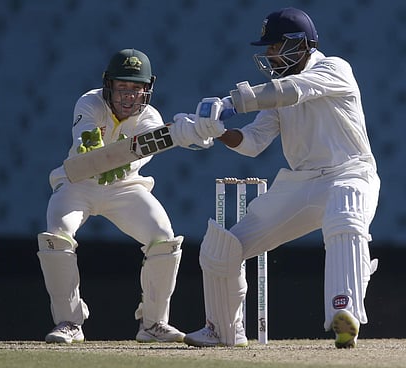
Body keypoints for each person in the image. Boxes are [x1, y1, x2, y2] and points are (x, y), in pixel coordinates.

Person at [182, 7, 380, 348]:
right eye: (268, 48)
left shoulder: (335, 69)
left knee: (343, 215)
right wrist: (218, 131)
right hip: (300, 184)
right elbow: (253, 142)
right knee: (222, 248)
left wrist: (230, 102)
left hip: (351, 173)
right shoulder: (277, 88)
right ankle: (223, 330)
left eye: (275, 47)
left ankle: (343, 314)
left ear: (301, 44)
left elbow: (293, 91)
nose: (269, 54)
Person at [37, 48, 209, 344]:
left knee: (164, 239)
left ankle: (154, 324)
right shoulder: (90, 102)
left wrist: (188, 134)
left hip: (126, 187)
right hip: (79, 182)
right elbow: (86, 145)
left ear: (147, 90)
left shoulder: (151, 118)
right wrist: (94, 155)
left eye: (136, 88)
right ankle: (69, 322)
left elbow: (137, 157)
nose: (128, 96)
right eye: (122, 87)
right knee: (56, 236)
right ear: (109, 86)